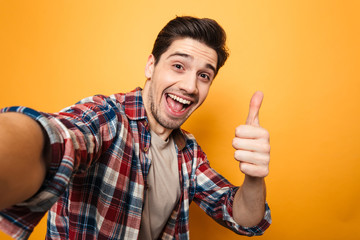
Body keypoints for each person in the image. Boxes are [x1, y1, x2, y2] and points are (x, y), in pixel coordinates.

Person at [0, 16, 271, 239]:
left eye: (203, 76)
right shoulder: (107, 117)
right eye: (178, 66)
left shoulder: (189, 154)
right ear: (151, 65)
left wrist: (254, 177)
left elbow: (241, 217)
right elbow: (58, 139)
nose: (190, 86)